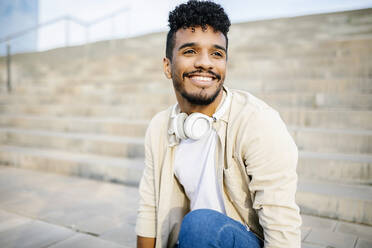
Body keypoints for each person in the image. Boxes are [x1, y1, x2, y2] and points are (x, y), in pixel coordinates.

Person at [136, 1, 302, 247]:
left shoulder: (257, 121)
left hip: (243, 238)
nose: (206, 63)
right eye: (190, 51)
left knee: (201, 225)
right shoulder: (160, 127)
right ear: (167, 66)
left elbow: (282, 227)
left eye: (217, 53)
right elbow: (149, 209)